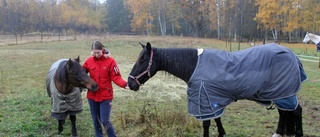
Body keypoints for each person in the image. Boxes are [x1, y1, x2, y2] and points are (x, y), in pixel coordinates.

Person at [83, 40, 129, 137]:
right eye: (94, 53)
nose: (96, 55)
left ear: (102, 50)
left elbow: (116, 77)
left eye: (98, 52)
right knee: (96, 120)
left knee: (105, 120)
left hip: (106, 96)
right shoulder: (89, 61)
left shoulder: (110, 61)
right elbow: (81, 74)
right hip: (92, 96)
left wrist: (125, 84)